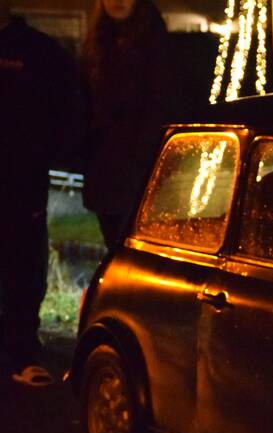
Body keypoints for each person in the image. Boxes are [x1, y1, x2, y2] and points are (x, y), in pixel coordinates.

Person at [0, 0, 75, 387]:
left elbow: (64, 107)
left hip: (21, 181)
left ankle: (22, 352)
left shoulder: (38, 51)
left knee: (23, 265)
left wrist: (42, 151)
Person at [81, 0, 175, 249]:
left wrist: (139, 157)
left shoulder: (155, 43)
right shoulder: (97, 43)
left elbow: (160, 106)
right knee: (114, 248)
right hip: (106, 172)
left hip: (141, 175)